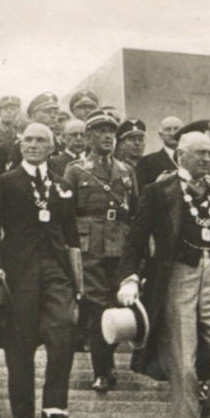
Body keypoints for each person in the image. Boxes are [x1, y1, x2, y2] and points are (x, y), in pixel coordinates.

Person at [117, 131, 210, 418]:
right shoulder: (160, 191)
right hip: (178, 278)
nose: (207, 159)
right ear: (181, 155)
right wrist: (129, 278)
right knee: (184, 365)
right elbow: (135, 240)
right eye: (200, 153)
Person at [0, 122, 81, 418]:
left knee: (62, 328)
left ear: (51, 147)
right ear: (21, 146)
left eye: (40, 141)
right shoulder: (5, 183)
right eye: (28, 140)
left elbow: (71, 236)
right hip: (18, 270)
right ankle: (22, 409)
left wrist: (77, 280)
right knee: (20, 340)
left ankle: (55, 404)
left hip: (55, 268)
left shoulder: (63, 185)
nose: (33, 145)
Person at [64, 110, 138, 394]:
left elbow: (135, 213)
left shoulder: (126, 170)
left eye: (111, 132)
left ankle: (107, 362)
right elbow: (67, 214)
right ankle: (101, 370)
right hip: (90, 248)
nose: (107, 137)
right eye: (100, 132)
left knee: (118, 306)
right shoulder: (76, 169)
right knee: (97, 308)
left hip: (120, 246)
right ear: (88, 137)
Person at [136, 115, 185, 190]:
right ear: (161, 135)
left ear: (183, 133)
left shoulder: (192, 158)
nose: (172, 133)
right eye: (168, 129)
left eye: (176, 129)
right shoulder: (147, 162)